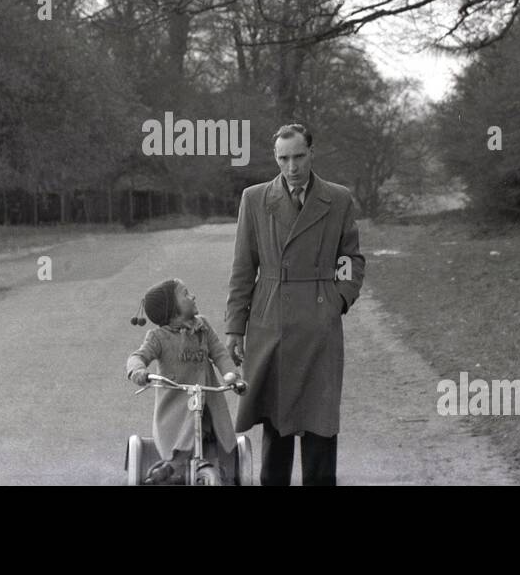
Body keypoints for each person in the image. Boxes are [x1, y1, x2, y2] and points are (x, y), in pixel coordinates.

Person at [224, 123, 365, 486]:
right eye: (284, 158)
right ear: (275, 158)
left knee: (320, 419)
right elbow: (243, 267)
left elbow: (350, 258)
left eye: (299, 156)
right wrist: (234, 328)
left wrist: (338, 299)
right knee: (277, 419)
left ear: (311, 154)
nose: (292, 167)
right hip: (272, 318)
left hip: (320, 319)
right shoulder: (255, 199)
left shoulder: (338, 198)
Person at [126, 278, 243, 484]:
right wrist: (139, 371)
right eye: (186, 294)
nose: (193, 296)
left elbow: (219, 352)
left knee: (217, 436)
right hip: (177, 407)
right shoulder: (158, 337)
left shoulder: (202, 327)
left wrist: (230, 375)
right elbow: (138, 356)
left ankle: (216, 471)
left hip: (207, 402)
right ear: (173, 309)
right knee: (184, 436)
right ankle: (173, 468)